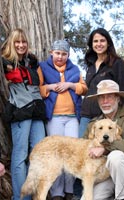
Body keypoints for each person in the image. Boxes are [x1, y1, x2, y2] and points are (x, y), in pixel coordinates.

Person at [38, 40, 88, 200]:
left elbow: (83, 88)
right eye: (58, 53)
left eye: (64, 54)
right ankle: (57, 192)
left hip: (73, 118)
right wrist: (51, 87)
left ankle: (69, 191)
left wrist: (70, 85)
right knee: (57, 154)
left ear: (68, 55)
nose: (60, 56)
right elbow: (38, 88)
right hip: (54, 118)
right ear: (51, 52)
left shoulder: (74, 69)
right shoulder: (43, 67)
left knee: (72, 153)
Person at [0, 28, 46, 200]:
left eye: (23, 42)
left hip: (36, 108)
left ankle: (35, 194)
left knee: (39, 152)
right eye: (17, 42)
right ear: (11, 43)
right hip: (19, 109)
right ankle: (20, 197)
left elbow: (38, 83)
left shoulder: (32, 60)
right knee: (20, 154)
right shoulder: (3, 61)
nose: (20, 45)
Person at [83, 79, 124, 200]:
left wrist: (104, 149)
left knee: (116, 157)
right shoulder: (94, 123)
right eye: (101, 98)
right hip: (102, 176)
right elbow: (85, 149)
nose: (105, 101)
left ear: (118, 98)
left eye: (109, 97)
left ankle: (123, 197)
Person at [79, 28, 124, 138]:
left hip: (104, 116)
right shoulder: (91, 66)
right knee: (83, 148)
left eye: (102, 41)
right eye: (95, 41)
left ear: (108, 43)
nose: (99, 44)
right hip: (86, 115)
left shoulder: (117, 63)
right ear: (91, 44)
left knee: (105, 150)